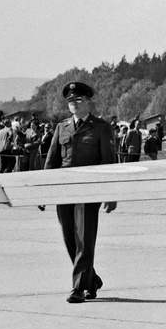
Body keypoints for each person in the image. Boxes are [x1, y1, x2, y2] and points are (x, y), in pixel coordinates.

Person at [44, 81, 118, 303]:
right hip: (64, 192)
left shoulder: (101, 128)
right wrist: (43, 192)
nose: (73, 104)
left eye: (78, 100)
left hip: (88, 191)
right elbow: (51, 162)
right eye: (70, 101)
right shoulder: (61, 128)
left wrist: (111, 194)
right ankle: (92, 280)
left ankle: (78, 288)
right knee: (70, 240)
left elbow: (109, 164)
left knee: (84, 239)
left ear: (88, 101)